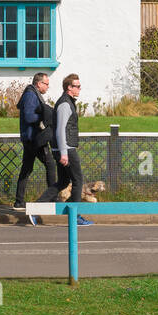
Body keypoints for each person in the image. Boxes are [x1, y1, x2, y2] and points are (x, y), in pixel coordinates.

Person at [36, 74, 93, 225]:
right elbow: (60, 130)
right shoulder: (64, 104)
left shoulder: (68, 103)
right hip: (66, 148)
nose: (80, 89)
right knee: (78, 180)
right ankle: (74, 216)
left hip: (64, 148)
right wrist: (64, 153)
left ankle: (36, 208)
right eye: (77, 86)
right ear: (70, 87)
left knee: (62, 181)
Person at [13, 72, 56, 220]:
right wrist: (46, 116)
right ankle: (52, 198)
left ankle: (19, 202)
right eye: (46, 84)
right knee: (50, 164)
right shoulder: (31, 95)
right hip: (34, 139)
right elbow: (30, 116)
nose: (48, 86)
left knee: (27, 169)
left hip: (29, 138)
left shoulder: (31, 93)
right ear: (39, 83)